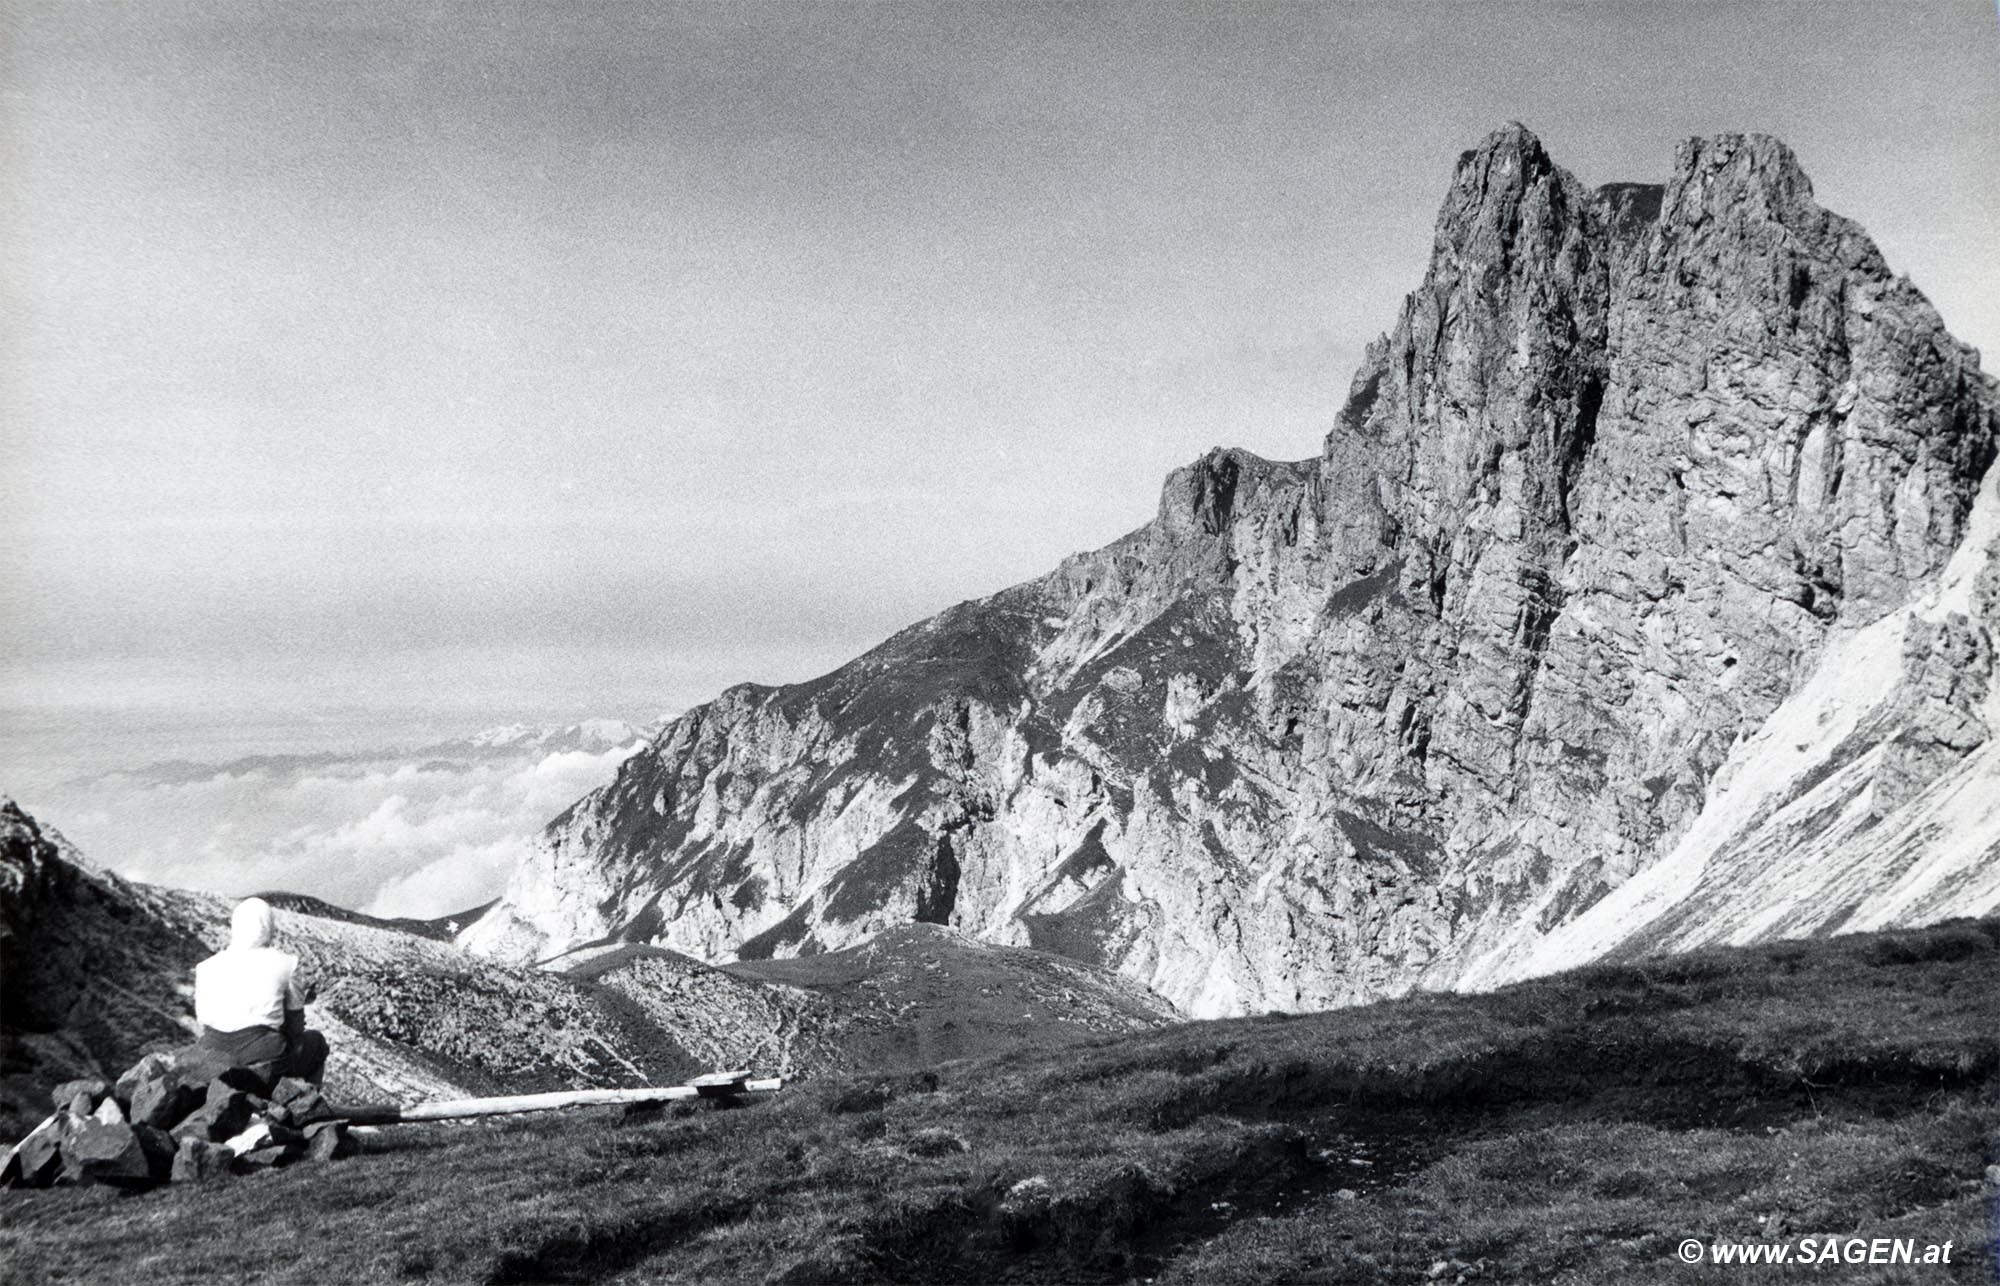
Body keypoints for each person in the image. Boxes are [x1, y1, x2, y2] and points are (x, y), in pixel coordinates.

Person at [187, 897, 328, 1090]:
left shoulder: (205, 967)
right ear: (268, 926)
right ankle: (308, 1107)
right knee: (316, 1043)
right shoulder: (287, 963)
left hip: (212, 1054)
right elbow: (296, 1027)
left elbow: (203, 1019)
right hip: (263, 1053)